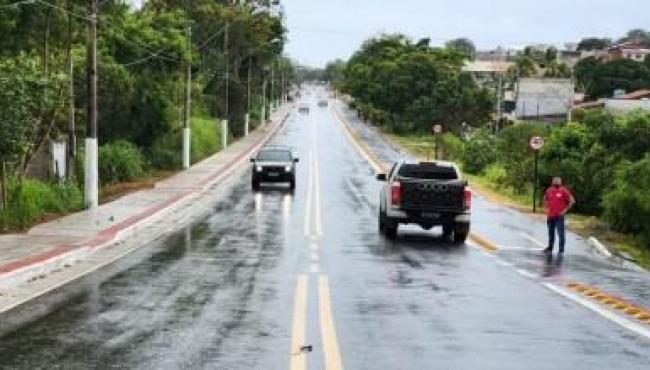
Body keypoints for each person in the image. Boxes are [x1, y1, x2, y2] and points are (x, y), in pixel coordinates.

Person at [543, 177, 575, 255]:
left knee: (560, 233)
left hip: (559, 216)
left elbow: (572, 201)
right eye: (555, 180)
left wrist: (564, 211)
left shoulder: (563, 190)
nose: (556, 182)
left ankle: (561, 250)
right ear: (552, 182)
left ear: (561, 182)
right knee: (551, 233)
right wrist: (546, 208)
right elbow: (545, 199)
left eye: (558, 181)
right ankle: (550, 247)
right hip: (550, 215)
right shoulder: (549, 190)